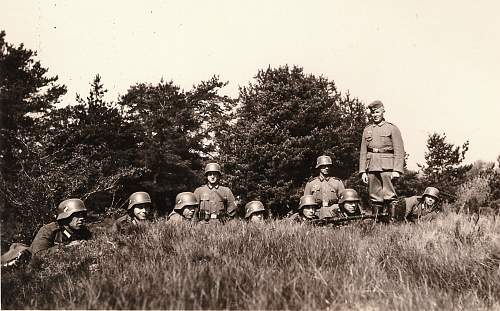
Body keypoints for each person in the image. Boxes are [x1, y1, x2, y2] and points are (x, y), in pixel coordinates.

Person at [359, 100, 405, 222]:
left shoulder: (392, 128)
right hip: (372, 166)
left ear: (383, 111)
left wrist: (397, 170)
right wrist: (363, 171)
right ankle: (377, 223)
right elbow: (363, 151)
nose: (375, 115)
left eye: (377, 112)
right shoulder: (367, 130)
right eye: (373, 113)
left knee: (389, 194)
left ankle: (392, 222)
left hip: (387, 166)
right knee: (374, 196)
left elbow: (399, 150)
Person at [304, 155, 345, 219]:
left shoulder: (337, 182)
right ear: (319, 167)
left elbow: (343, 200)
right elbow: (306, 202)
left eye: (328, 166)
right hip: (317, 212)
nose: (327, 168)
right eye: (324, 166)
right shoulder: (311, 183)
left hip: (334, 211)